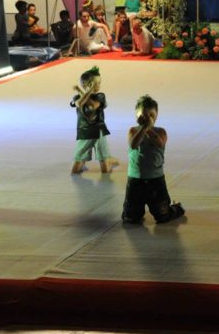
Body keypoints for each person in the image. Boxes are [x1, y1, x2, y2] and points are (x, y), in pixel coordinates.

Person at [121, 94, 185, 224]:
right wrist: (144, 128)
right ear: (136, 116)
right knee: (130, 218)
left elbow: (159, 143)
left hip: (155, 180)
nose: (147, 118)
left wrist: (148, 128)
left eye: (151, 115)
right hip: (135, 180)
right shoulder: (133, 131)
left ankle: (176, 207)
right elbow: (133, 144)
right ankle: (133, 209)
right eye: (143, 115)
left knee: (163, 216)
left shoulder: (161, 132)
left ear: (156, 115)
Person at [70, 66, 117, 175]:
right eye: (95, 83)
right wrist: (83, 91)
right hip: (84, 131)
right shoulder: (77, 97)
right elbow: (79, 103)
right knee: (75, 171)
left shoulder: (100, 96)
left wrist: (83, 90)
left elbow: (93, 106)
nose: (98, 85)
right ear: (85, 84)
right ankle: (84, 162)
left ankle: (110, 161)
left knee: (105, 170)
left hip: (99, 131)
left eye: (99, 82)